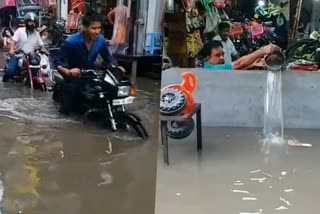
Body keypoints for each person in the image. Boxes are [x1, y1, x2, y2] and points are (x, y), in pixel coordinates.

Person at [53, 12, 124, 115]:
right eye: (93, 28)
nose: (97, 31)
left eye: (99, 28)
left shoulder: (100, 40)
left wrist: (116, 68)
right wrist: (67, 71)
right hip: (73, 76)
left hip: (90, 75)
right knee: (69, 101)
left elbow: (108, 58)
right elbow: (57, 62)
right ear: (84, 27)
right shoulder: (70, 42)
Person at [3, 12, 47, 82]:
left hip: (31, 57)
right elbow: (13, 42)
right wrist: (11, 50)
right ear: (26, 22)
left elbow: (41, 45)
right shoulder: (20, 31)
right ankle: (5, 80)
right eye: (30, 22)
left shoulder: (37, 34)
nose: (32, 24)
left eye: (33, 22)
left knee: (38, 69)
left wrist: (44, 50)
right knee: (10, 71)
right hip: (18, 54)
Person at [200, 40, 280, 70]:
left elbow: (233, 70)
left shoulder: (211, 67)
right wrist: (262, 50)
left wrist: (252, 64)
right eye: (217, 55)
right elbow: (239, 64)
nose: (222, 57)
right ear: (207, 58)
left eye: (222, 54)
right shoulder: (212, 69)